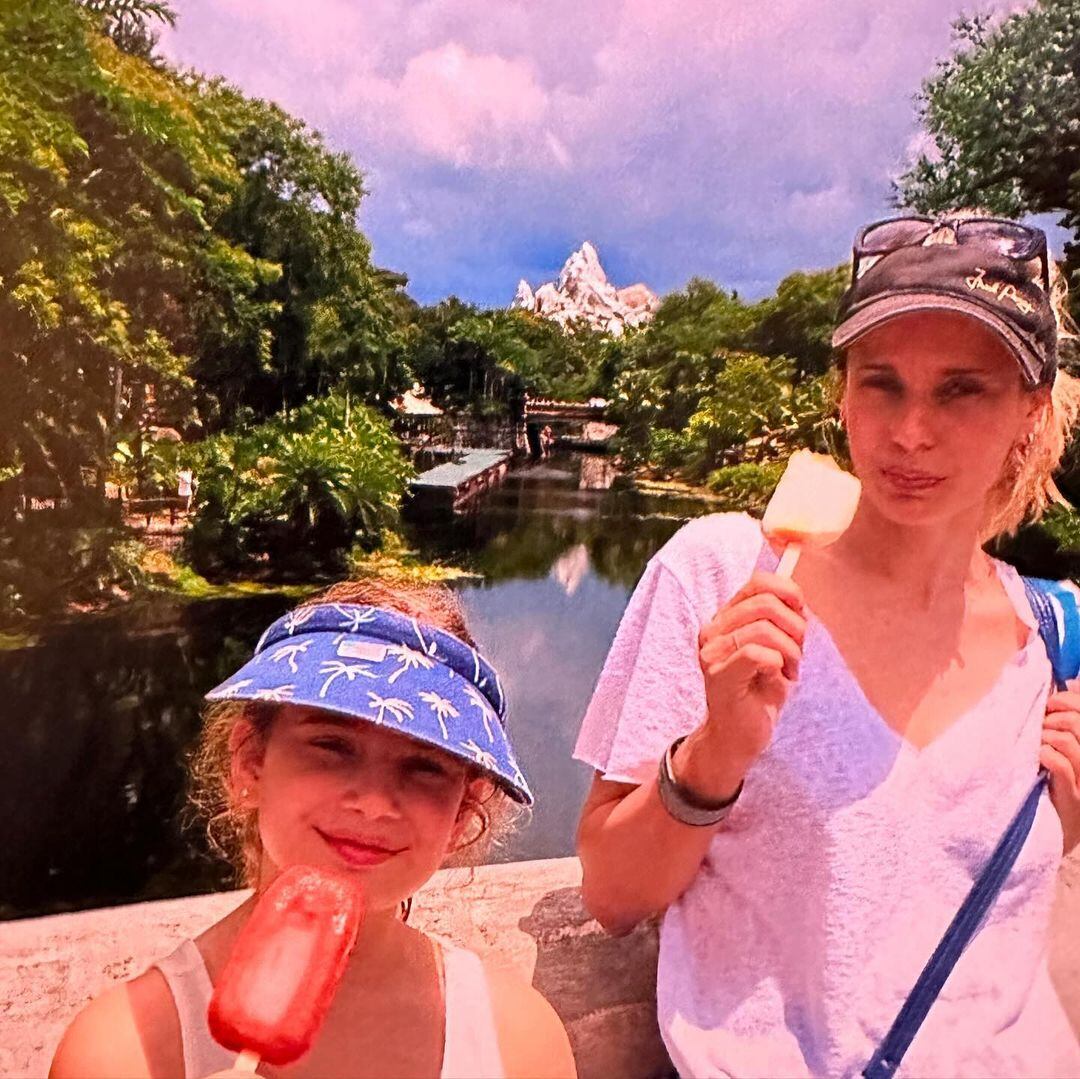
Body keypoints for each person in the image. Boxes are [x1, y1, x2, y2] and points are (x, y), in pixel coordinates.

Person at [574, 213, 1080, 1077]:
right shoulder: (727, 575)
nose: (910, 432)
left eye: (962, 390)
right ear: (841, 391)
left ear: (1030, 411)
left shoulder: (1056, 631)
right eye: (882, 383)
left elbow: (984, 888)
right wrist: (715, 753)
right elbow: (614, 893)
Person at [51, 578, 575, 1079]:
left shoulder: (519, 1042)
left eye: (425, 768)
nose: (373, 804)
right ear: (249, 762)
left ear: (462, 812)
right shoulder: (121, 1051)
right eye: (331, 747)